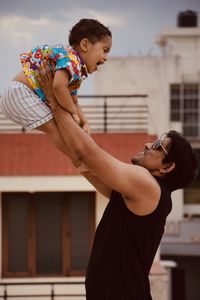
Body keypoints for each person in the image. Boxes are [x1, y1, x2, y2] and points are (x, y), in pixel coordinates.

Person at [38, 67, 198, 300]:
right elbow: (81, 161)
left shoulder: (147, 185)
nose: (147, 145)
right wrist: (46, 119)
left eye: (157, 146)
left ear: (166, 167)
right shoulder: (139, 192)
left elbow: (85, 153)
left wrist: (54, 100)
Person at [0, 18, 112, 156]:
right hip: (20, 94)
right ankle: (77, 158)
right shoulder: (72, 61)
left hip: (14, 95)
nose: (106, 57)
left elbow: (73, 101)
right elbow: (58, 87)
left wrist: (84, 121)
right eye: (105, 50)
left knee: (60, 124)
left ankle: (80, 157)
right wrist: (73, 114)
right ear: (85, 45)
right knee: (55, 128)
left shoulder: (75, 68)